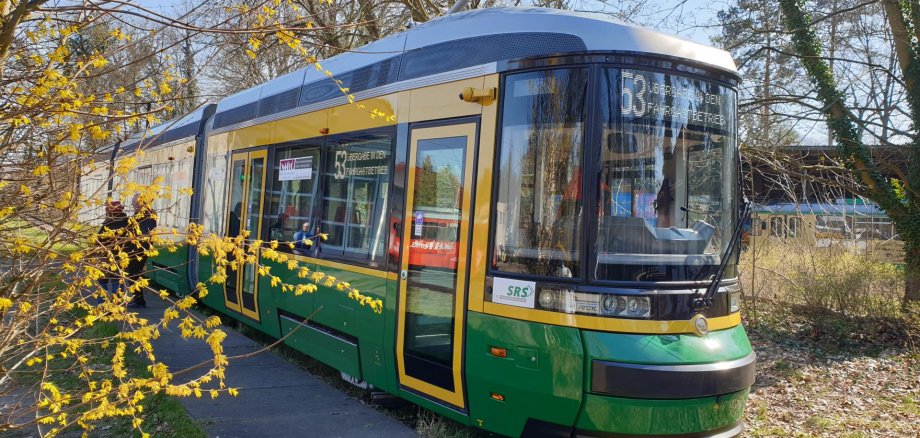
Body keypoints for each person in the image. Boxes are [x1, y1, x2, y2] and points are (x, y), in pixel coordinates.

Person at [126, 194, 156, 308]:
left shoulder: (149, 215)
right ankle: (137, 297)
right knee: (132, 273)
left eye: (134, 202)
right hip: (134, 248)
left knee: (134, 273)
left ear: (141, 202)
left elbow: (144, 233)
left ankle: (139, 299)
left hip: (140, 249)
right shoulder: (140, 214)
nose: (132, 204)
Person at [97, 200, 129, 304]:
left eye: (107, 209)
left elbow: (100, 239)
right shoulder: (127, 222)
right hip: (121, 257)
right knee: (117, 281)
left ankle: (102, 303)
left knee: (103, 281)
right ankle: (117, 303)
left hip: (107, 256)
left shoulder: (110, 222)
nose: (106, 211)